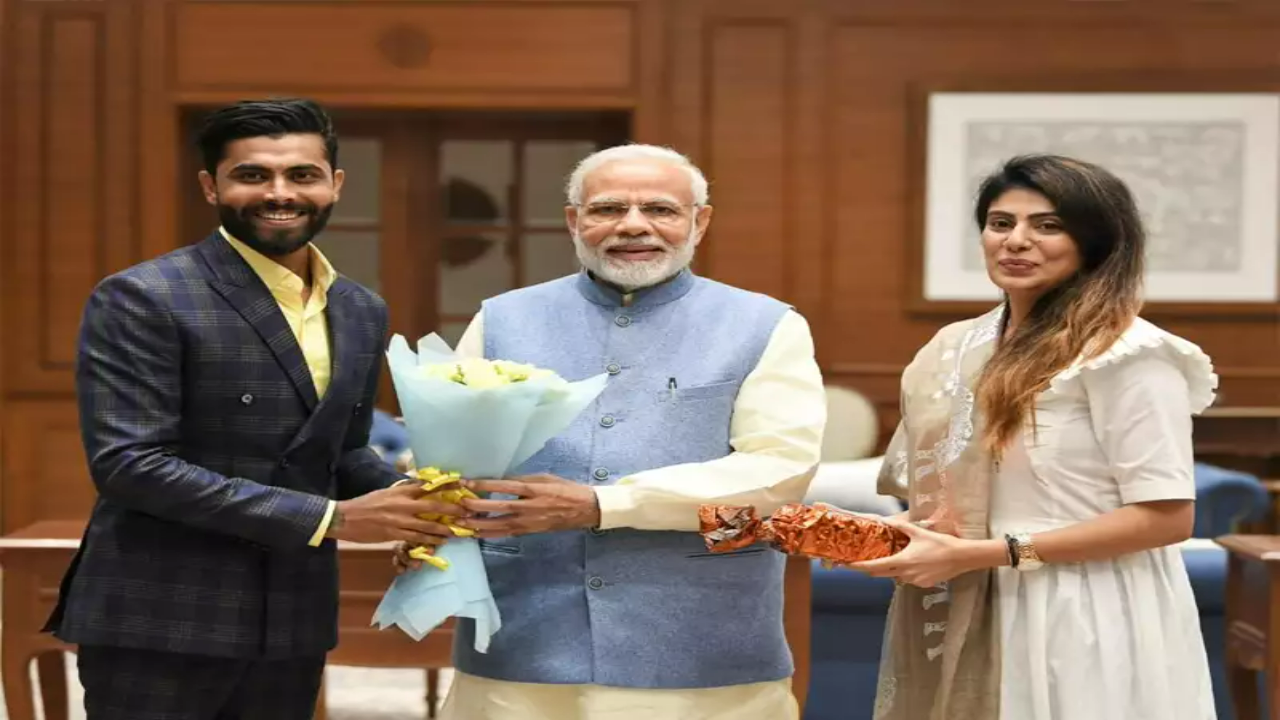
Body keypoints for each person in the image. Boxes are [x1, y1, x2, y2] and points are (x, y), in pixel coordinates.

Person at [46, 98, 464, 720]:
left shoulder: (359, 308)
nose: (279, 192)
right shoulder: (144, 296)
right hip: (162, 615)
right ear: (211, 187)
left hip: (292, 615)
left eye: (301, 175)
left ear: (334, 185)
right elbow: (131, 464)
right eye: (252, 175)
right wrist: (337, 519)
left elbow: (342, 448)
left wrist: (421, 501)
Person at [397, 143, 827, 719]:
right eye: (606, 209)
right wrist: (429, 518)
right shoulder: (503, 318)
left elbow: (780, 474)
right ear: (575, 221)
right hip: (523, 640)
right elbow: (451, 457)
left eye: (660, 209)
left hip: (699, 646)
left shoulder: (766, 325)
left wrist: (603, 504)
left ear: (700, 222)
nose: (633, 226)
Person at [847, 154, 1217, 720]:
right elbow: (954, 494)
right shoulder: (957, 348)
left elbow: (1167, 517)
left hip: (1086, 612)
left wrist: (992, 553)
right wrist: (897, 535)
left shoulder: (1127, 356)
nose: (1017, 241)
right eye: (1002, 223)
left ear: (1095, 242)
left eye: (1047, 225)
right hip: (972, 594)